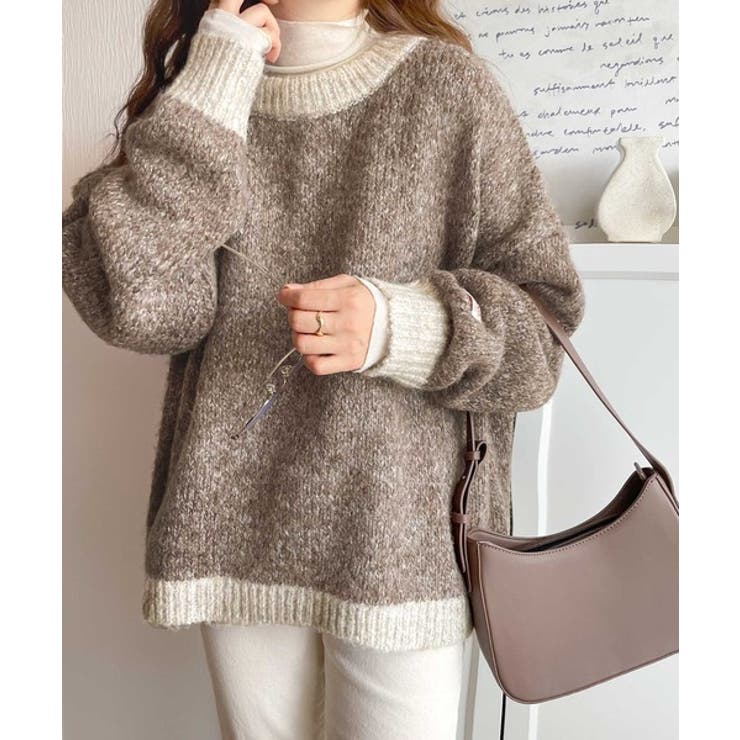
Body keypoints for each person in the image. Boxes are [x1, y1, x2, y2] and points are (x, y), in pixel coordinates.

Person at [62, 0, 586, 737]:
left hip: (398, 542)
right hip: (234, 525)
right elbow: (144, 307)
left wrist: (406, 327)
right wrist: (213, 80)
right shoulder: (208, 82)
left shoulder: (448, 89)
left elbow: (544, 330)